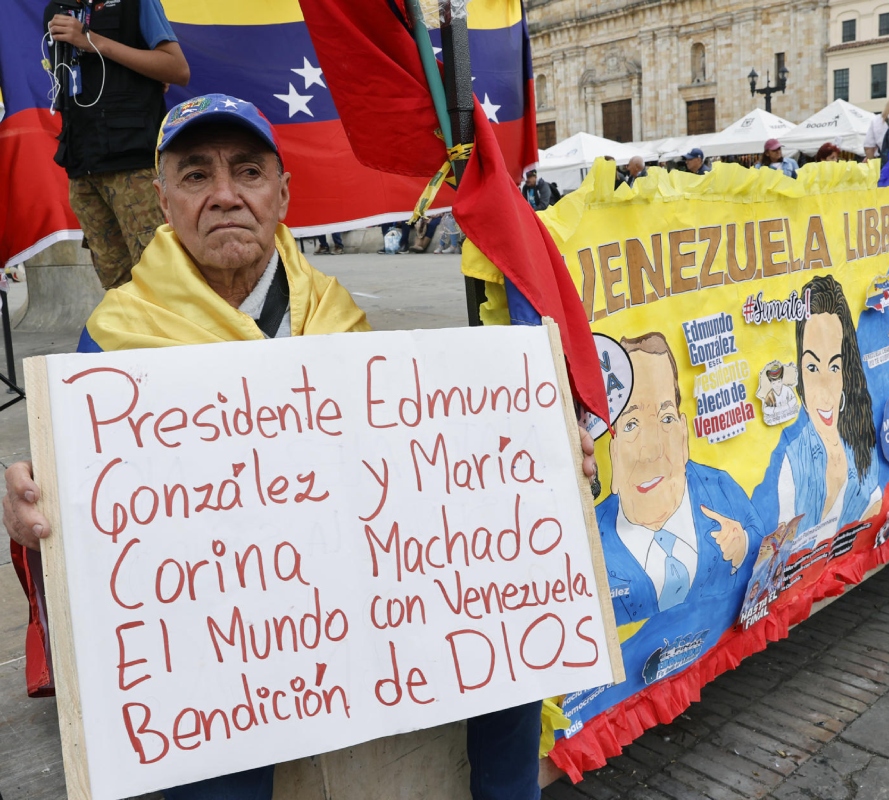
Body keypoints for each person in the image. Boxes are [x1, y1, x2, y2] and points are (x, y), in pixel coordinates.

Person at [2, 92, 595, 800]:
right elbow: (88, 518)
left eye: (247, 172)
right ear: (162, 199)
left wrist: (543, 466)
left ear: (283, 195)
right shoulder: (112, 335)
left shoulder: (338, 316)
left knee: (502, 643)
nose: (225, 195)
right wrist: (40, 518)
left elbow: (410, 476)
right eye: (196, 175)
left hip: (359, 602)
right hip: (223, 634)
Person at [594, 332, 764, 623]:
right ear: (611, 450)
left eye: (666, 419)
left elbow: (765, 543)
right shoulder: (593, 539)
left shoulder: (721, 491)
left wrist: (743, 545)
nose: (653, 450)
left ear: (684, 433)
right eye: (631, 425)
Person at [44, 0, 190, 290]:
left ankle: (179, 337)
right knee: (118, 288)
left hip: (134, 165)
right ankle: (133, 336)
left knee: (162, 281)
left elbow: (177, 69)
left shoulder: (136, 3)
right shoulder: (56, 9)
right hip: (82, 166)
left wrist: (91, 41)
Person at [774, 275, 882, 548]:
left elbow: (875, 506)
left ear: (846, 372)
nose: (824, 387)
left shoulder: (860, 443)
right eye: (812, 368)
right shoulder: (793, 461)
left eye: (834, 367)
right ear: (798, 372)